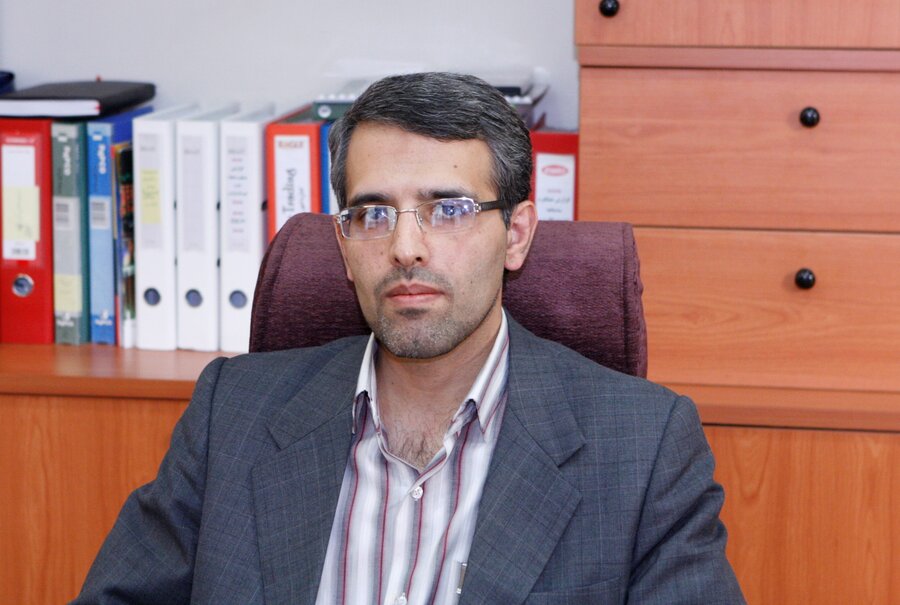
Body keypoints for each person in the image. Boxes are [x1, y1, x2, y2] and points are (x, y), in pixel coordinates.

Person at [72, 72, 745, 604]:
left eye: (447, 209)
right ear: (344, 246)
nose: (405, 247)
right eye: (373, 214)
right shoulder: (233, 413)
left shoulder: (643, 447)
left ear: (516, 235)